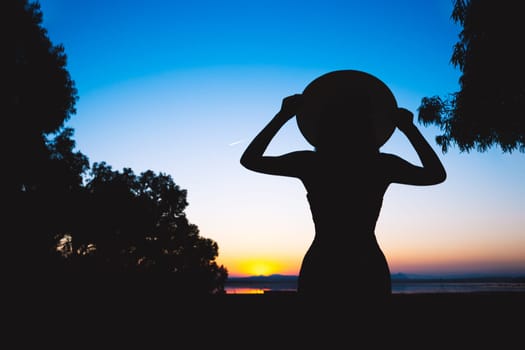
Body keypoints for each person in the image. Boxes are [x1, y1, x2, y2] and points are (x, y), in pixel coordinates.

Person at [240, 87, 446, 307]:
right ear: (368, 126)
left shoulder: (311, 163)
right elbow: (435, 174)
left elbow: (251, 159)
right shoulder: (380, 165)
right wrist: (409, 129)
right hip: (367, 262)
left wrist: (282, 116)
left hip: (323, 261)